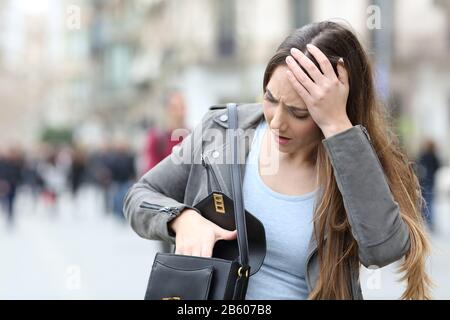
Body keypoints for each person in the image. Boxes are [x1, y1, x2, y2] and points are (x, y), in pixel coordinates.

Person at [123, 21, 432, 299]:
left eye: (299, 113)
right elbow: (139, 197)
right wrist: (182, 218)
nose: (277, 123)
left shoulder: (353, 159)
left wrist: (339, 128)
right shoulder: (221, 130)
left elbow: (383, 248)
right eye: (270, 98)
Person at [417, 139, 441, 232]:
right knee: (429, 201)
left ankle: (424, 220)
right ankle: (429, 221)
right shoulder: (434, 156)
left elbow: (418, 165)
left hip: (424, 181)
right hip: (430, 181)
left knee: (424, 201)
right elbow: (438, 166)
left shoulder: (424, 155)